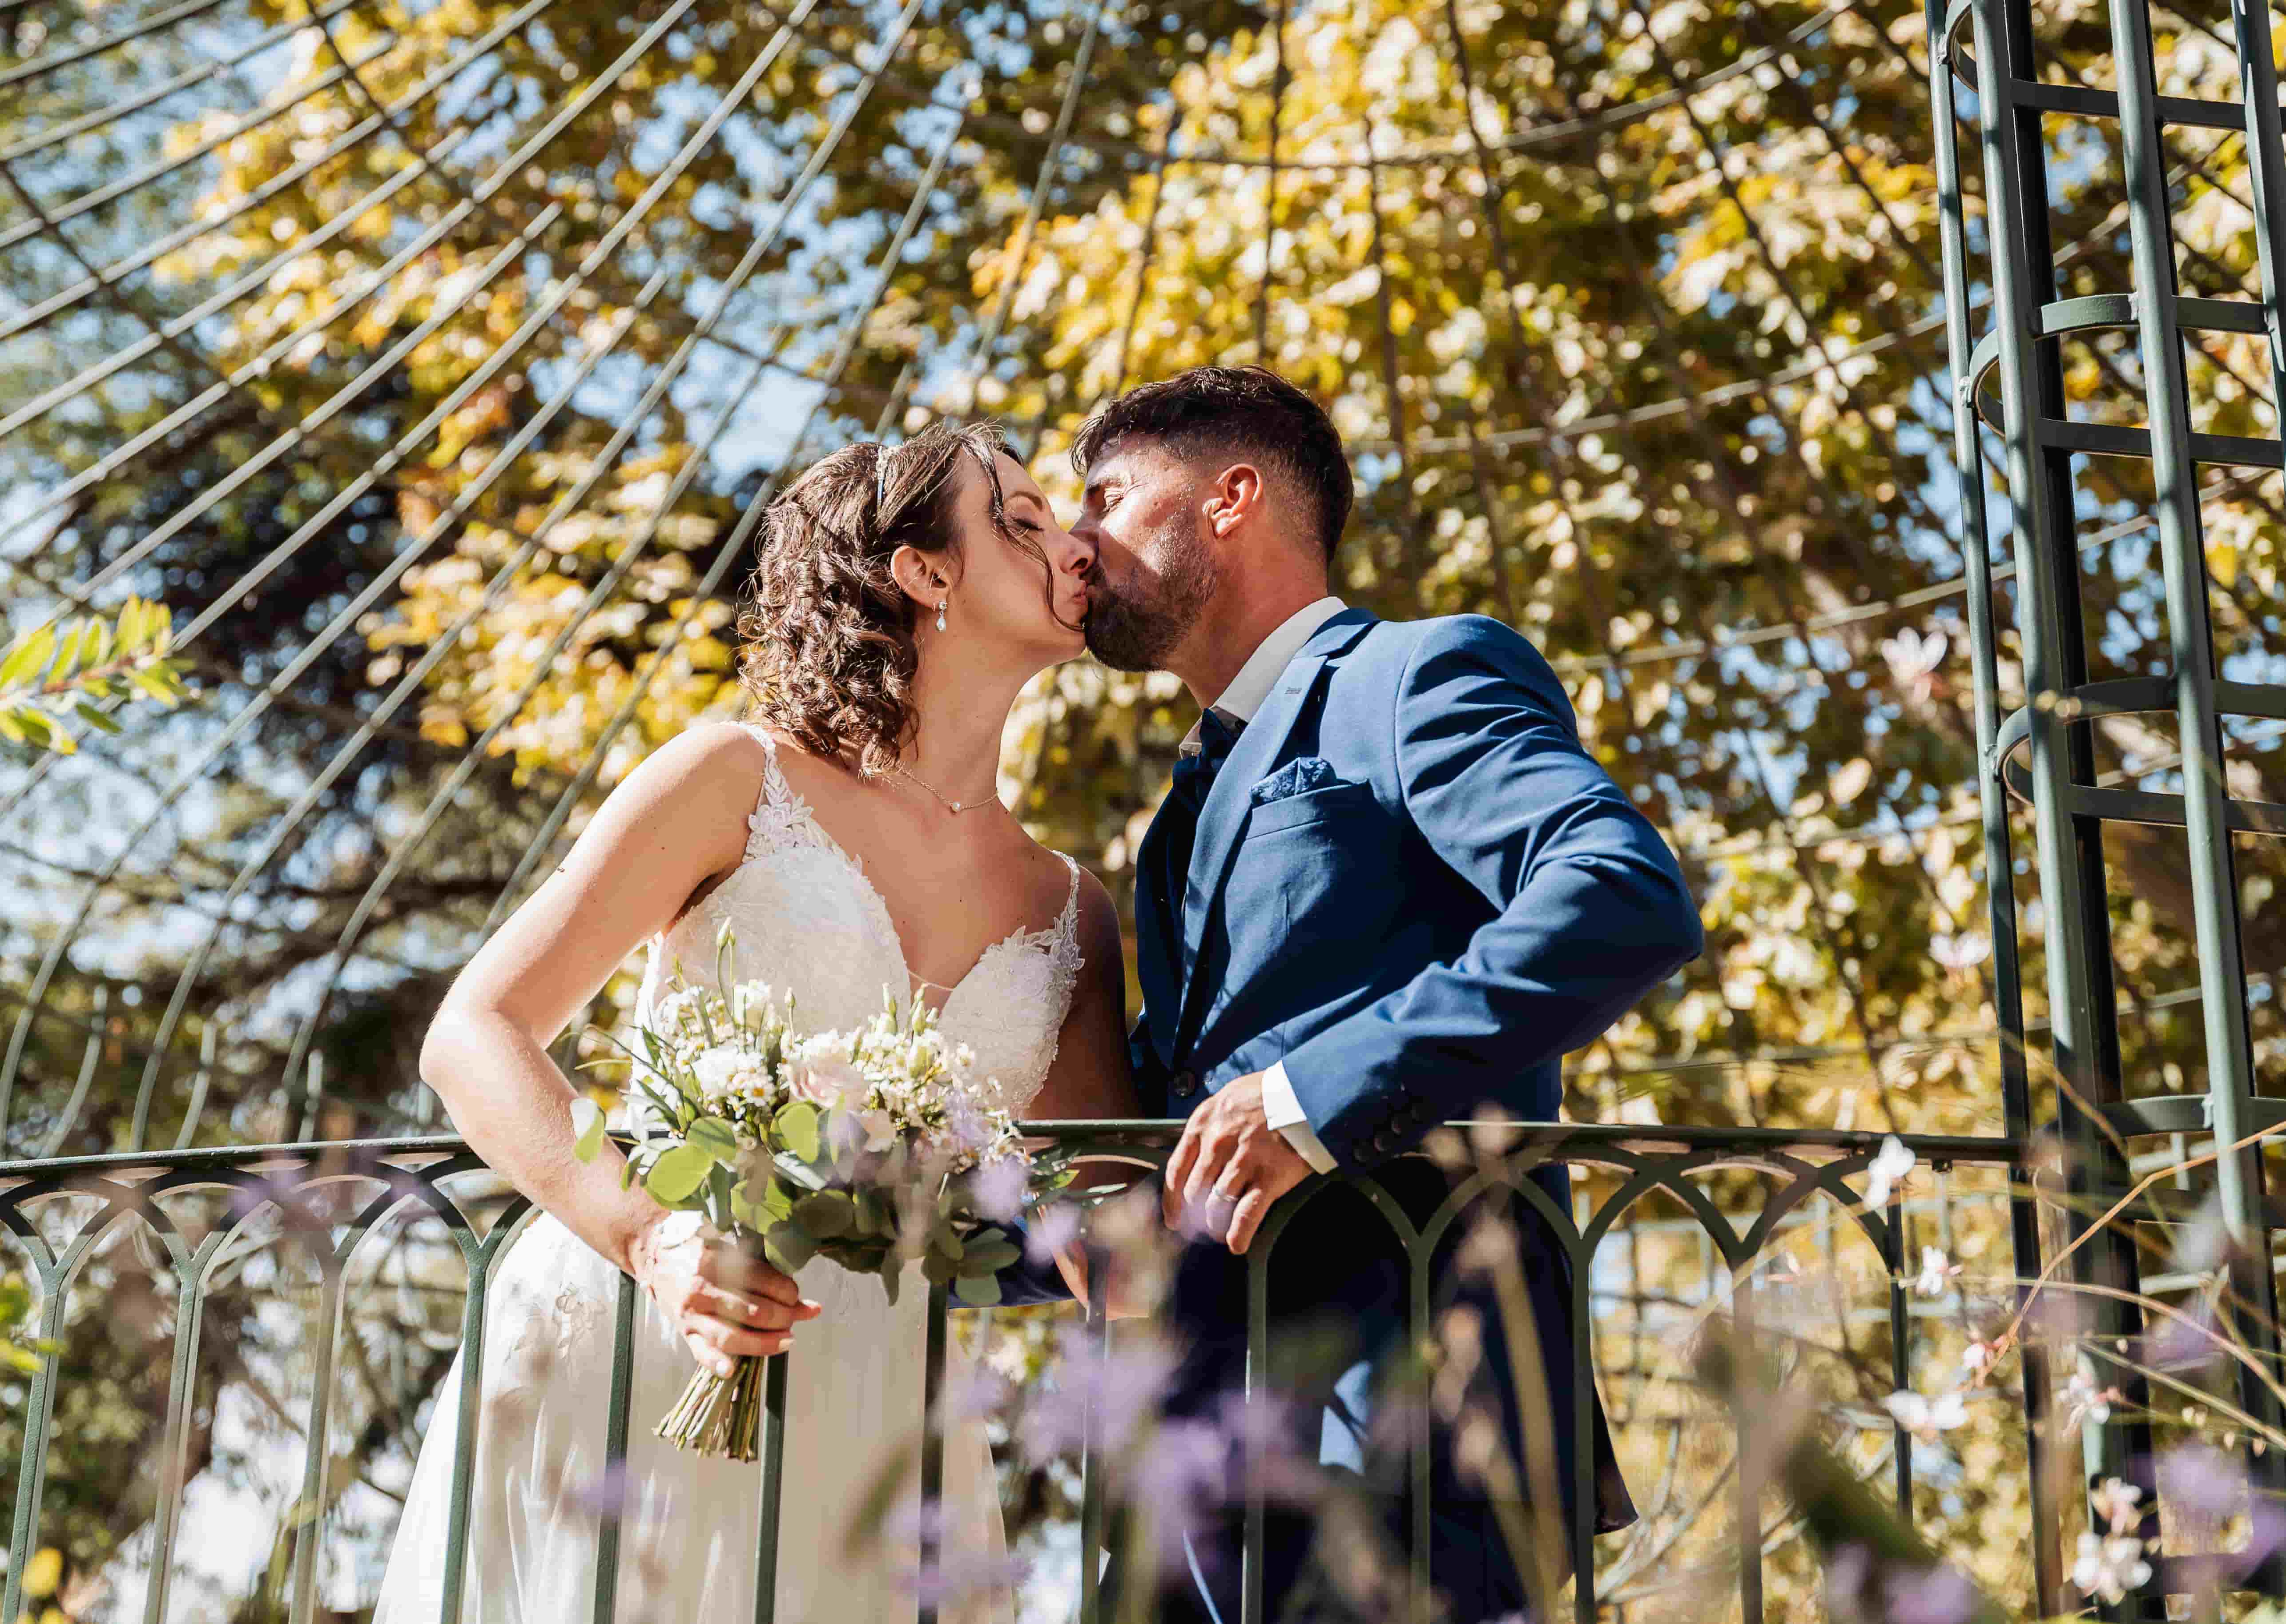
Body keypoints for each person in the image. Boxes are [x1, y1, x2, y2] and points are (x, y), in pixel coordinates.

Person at [376, 423, 1136, 1623]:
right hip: (634, 1355)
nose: (1076, 544)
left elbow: (1104, 1218)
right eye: (1023, 518)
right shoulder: (735, 778)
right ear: (925, 571)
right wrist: (650, 1237)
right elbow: (476, 1029)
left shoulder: (1074, 911)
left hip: (886, 1410)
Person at [1071, 365, 1702, 1622]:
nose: (1079, 543)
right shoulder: (1171, 826)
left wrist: (1316, 1097)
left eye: (1107, 496)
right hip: (1197, 1462)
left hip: (1409, 1422)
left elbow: (1622, 891)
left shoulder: (1415, 676)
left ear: (1231, 499)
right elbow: (1175, 1112)